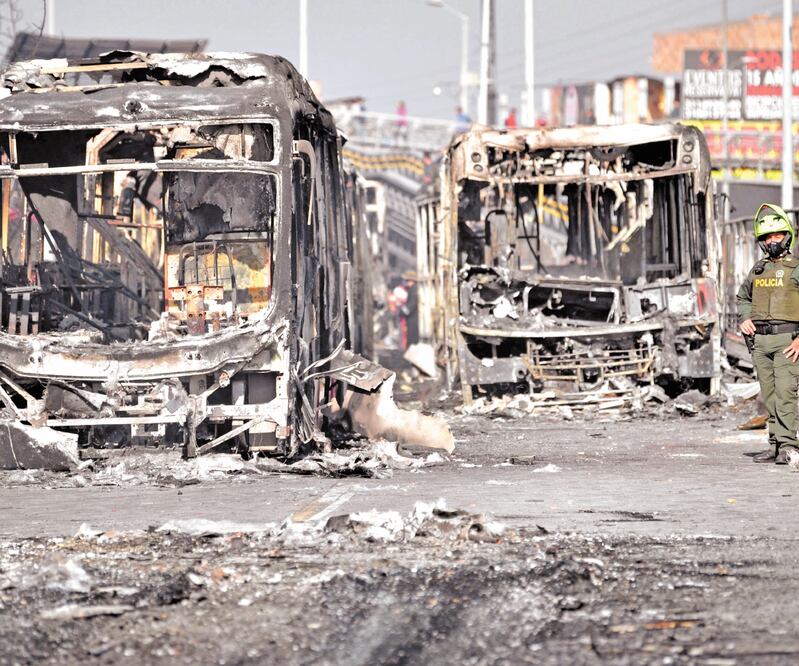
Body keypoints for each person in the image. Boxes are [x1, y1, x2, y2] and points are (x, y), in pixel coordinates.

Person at [737, 203, 799, 464]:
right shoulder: (758, 270)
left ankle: (789, 447)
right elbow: (743, 297)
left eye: (777, 235)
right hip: (760, 342)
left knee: (786, 395)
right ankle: (774, 446)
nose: (772, 241)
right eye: (767, 237)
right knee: (769, 397)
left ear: (787, 236)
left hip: (787, 342)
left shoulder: (796, 267)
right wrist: (744, 318)